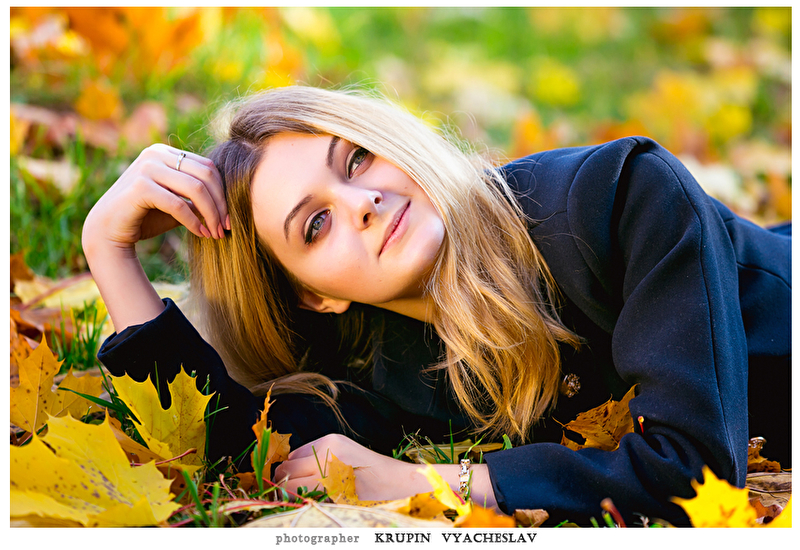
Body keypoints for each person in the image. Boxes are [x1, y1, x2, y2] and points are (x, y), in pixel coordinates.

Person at [82, 85, 791, 526]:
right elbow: (234, 452)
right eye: (316, 224)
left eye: (356, 158)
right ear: (315, 295)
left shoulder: (619, 198)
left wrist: (433, 482)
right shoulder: (382, 359)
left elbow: (693, 473)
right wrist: (108, 251)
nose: (363, 202)